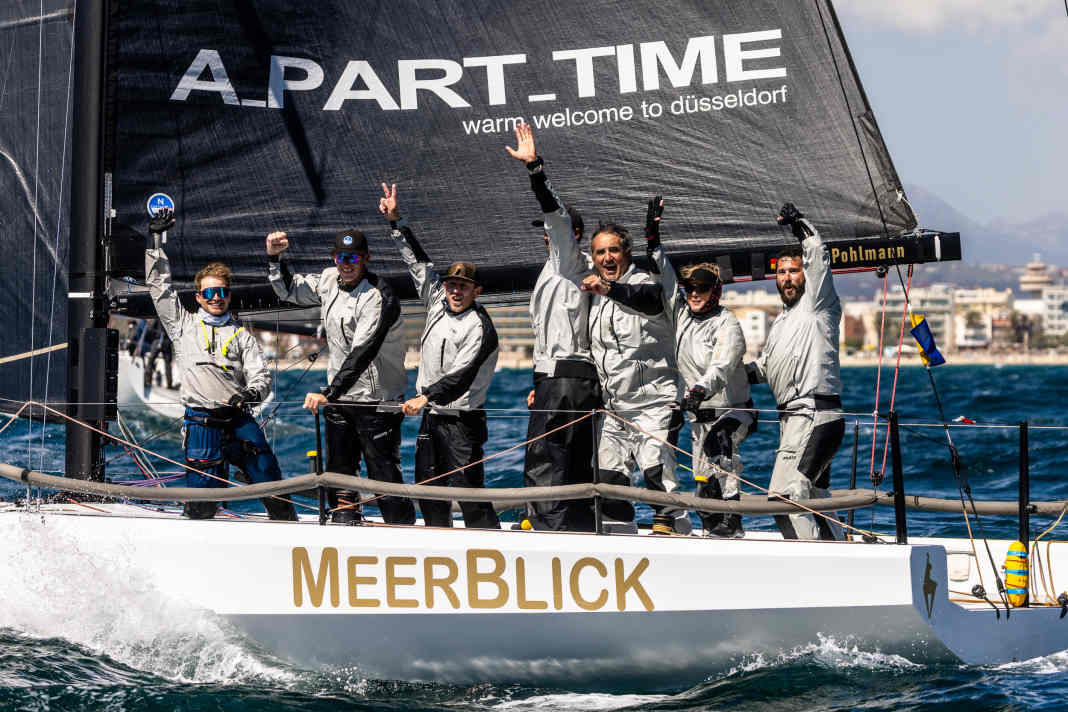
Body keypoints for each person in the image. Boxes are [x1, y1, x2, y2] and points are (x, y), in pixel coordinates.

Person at [144, 208, 296, 521]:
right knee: (201, 506)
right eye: (210, 293)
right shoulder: (182, 325)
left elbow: (261, 376)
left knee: (270, 480)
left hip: (238, 418)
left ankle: (287, 528)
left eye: (223, 292)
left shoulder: (241, 333)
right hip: (201, 423)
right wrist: (156, 242)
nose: (217, 298)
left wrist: (250, 395)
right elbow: (160, 288)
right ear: (199, 297)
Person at [266, 227, 415, 526]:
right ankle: (344, 522)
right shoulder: (328, 280)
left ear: (366, 258)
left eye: (354, 258)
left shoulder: (378, 296)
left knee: (383, 475)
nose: (346, 264)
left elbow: (363, 351)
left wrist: (328, 394)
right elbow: (289, 289)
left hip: (376, 400)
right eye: (340, 257)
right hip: (340, 396)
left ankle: (401, 529)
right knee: (339, 472)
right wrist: (274, 258)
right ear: (334, 258)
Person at [382, 184, 501, 530]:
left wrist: (426, 396)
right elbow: (418, 264)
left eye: (463, 286)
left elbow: (461, 377)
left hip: (462, 421)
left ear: (476, 291)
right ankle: (440, 542)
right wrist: (395, 223)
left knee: (469, 493)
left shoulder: (481, 326)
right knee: (428, 489)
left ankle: (490, 546)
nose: (455, 291)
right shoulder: (436, 301)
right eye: (451, 285)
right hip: (432, 416)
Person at [505, 124, 599, 532]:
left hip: (564, 383)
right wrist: (537, 380)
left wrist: (535, 170)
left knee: (545, 460)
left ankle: (547, 534)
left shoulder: (568, 258)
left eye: (550, 233)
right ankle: (577, 529)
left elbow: (556, 217)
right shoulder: (558, 268)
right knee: (575, 462)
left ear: (570, 235)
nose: (545, 237)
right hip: (562, 381)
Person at [571, 201, 684, 535]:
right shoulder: (593, 296)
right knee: (609, 484)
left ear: (627, 253)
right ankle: (620, 547)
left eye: (614, 251)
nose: (607, 258)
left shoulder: (647, 284)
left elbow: (647, 301)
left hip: (655, 405)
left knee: (657, 480)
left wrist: (608, 288)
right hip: (615, 409)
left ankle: (681, 542)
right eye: (600, 252)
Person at [646, 197, 754, 538]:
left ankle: (733, 520)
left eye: (702, 288)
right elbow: (666, 279)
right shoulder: (681, 315)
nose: (694, 294)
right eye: (692, 288)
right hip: (697, 416)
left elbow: (721, 367)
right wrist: (652, 238)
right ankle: (715, 532)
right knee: (704, 487)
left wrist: (696, 391)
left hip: (733, 412)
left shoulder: (728, 324)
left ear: (716, 291)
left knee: (720, 444)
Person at [748, 203, 845, 540]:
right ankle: (844, 557)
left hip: (815, 416)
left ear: (805, 274)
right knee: (813, 499)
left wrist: (798, 222)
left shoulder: (819, 304)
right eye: (781, 272)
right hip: (793, 422)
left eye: (793, 270)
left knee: (784, 498)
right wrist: (731, 374)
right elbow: (764, 369)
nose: (787, 278)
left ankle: (819, 565)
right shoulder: (782, 322)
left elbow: (817, 253)